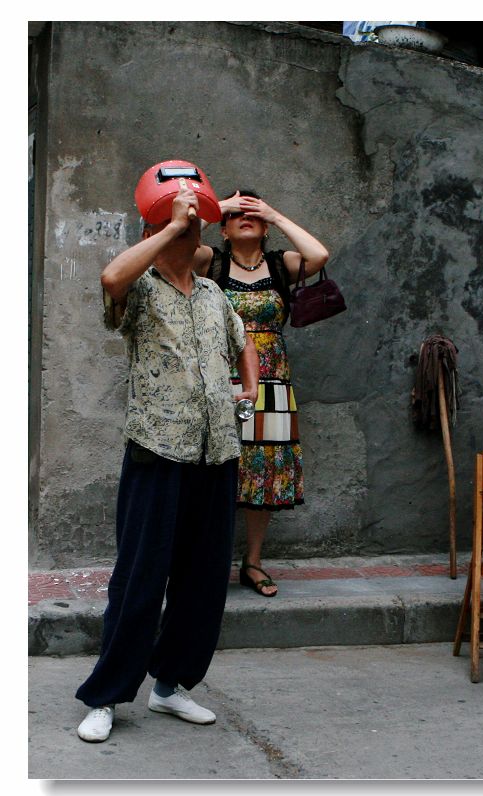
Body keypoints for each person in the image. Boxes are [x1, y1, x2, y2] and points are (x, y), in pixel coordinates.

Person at [76, 178, 259, 742]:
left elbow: (242, 341)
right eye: (182, 224)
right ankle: (106, 696)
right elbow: (111, 277)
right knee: (139, 578)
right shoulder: (140, 290)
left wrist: (248, 387)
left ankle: (170, 687)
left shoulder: (212, 294)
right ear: (156, 231)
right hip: (157, 451)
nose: (194, 229)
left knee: (203, 583)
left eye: (196, 222)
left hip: (217, 453)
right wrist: (176, 224)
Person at [194, 190, 329, 597]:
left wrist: (274, 213)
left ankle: (252, 562)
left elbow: (318, 255)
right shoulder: (210, 261)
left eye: (253, 214)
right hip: (219, 377)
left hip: (273, 382)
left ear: (266, 226)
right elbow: (175, 243)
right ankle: (204, 562)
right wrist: (219, 208)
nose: (245, 218)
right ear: (225, 227)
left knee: (264, 472)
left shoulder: (280, 264)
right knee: (210, 468)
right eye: (238, 214)